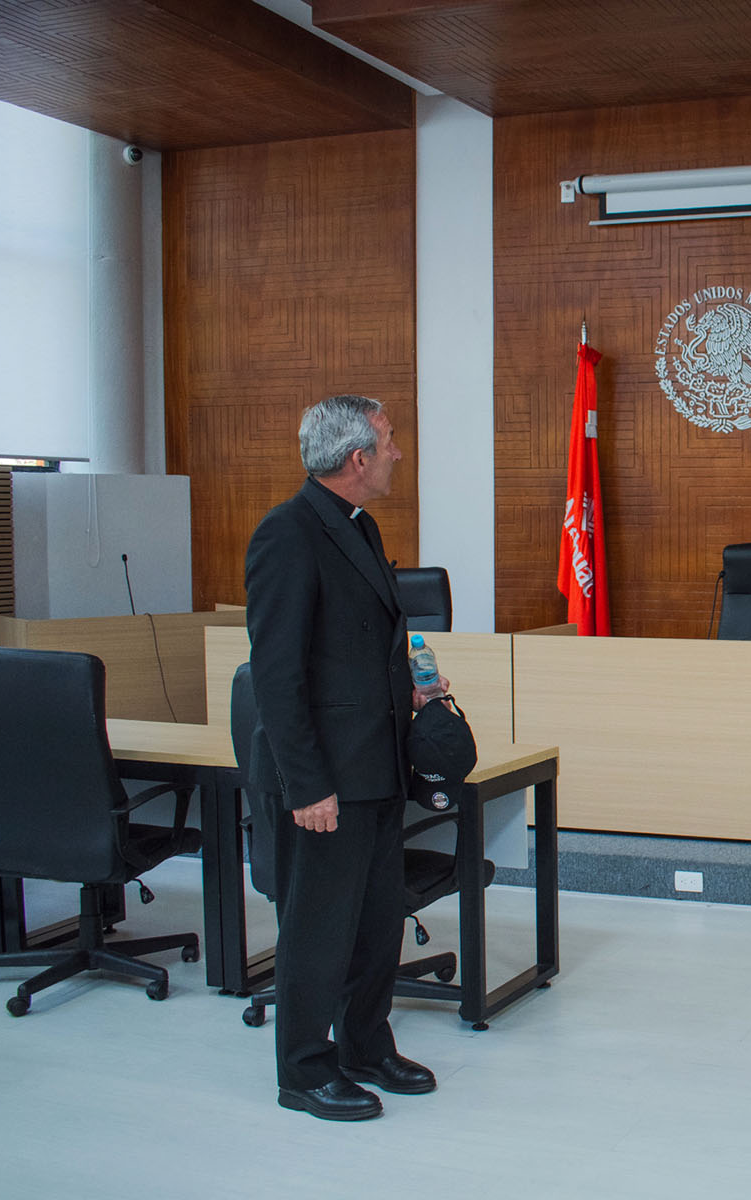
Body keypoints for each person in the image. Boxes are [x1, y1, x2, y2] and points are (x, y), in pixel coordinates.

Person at [244, 394, 442, 1121]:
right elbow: (277, 675)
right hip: (325, 781)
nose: (396, 453)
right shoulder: (287, 536)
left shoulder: (358, 526)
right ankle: (302, 1069)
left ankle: (365, 1045)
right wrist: (307, 784)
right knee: (318, 930)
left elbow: (355, 652)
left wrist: (413, 694)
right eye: (388, 442)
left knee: (372, 923)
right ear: (357, 457)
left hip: (377, 766)